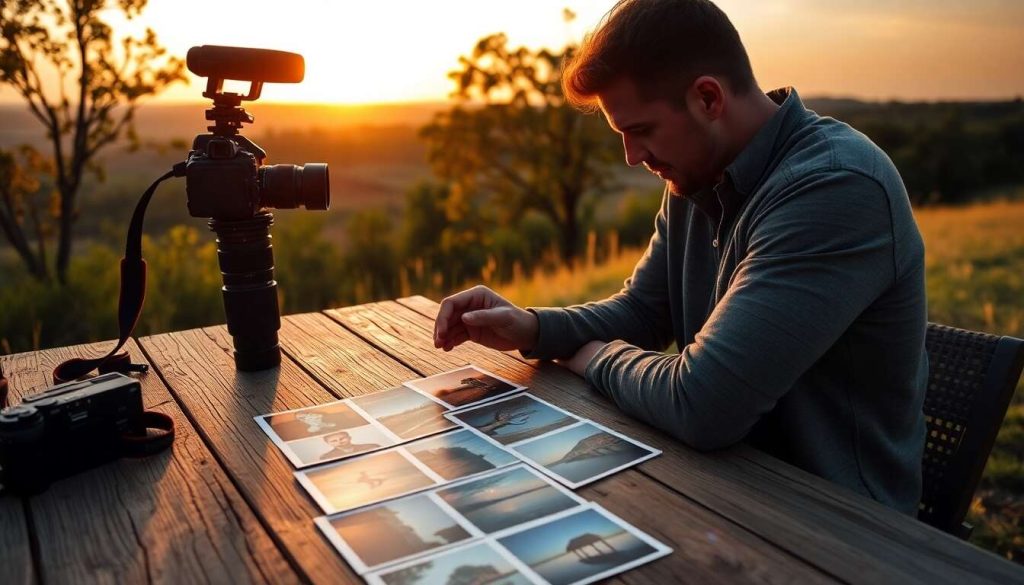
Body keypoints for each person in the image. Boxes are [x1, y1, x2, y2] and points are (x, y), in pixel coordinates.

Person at [432, 0, 927, 514]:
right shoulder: (697, 173)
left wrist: (593, 357)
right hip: (723, 487)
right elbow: (645, 311)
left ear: (708, 98)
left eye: (641, 130)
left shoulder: (836, 188)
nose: (631, 155)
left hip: (839, 525)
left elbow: (704, 404)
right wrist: (533, 329)